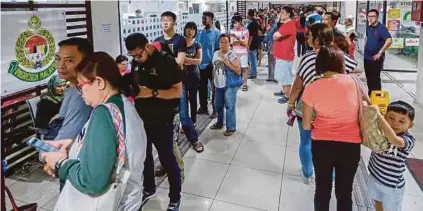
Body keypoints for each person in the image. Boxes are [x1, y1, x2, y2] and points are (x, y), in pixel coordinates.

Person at [42, 52, 147, 211]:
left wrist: (60, 164)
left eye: (80, 85)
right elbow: (114, 145)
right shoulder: (123, 104)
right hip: (131, 200)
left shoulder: (103, 112)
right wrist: (74, 144)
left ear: (99, 82)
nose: (80, 92)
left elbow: (93, 181)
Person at [287, 23, 360, 185]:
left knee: (306, 141)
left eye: (309, 36)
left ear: (317, 39)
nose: (307, 39)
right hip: (333, 109)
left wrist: (290, 104)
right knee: (331, 143)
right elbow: (358, 69)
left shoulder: (307, 58)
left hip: (307, 106)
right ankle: (332, 176)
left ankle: (307, 173)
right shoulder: (340, 57)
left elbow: (298, 86)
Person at [125, 33, 183, 211]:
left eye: (138, 54)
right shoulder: (136, 62)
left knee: (166, 159)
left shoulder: (165, 61)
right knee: (144, 157)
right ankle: (148, 188)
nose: (136, 59)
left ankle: (174, 198)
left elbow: (177, 92)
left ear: (148, 46)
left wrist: (151, 92)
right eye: (132, 56)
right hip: (141, 118)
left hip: (162, 118)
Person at [302, 46, 361, 211]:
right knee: (345, 192)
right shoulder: (355, 82)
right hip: (350, 145)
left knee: (322, 189)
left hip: (322, 145)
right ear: (340, 62)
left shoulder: (313, 87)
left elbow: (306, 125)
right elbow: (366, 109)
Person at [154, 10, 186, 181]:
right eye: (163, 20)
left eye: (168, 20)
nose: (165, 23)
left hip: (174, 88)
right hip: (159, 91)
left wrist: (163, 64)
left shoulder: (179, 40)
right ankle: (164, 163)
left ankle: (178, 168)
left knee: (170, 134)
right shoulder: (157, 42)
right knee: (160, 133)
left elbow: (180, 61)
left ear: (174, 22)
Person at [367, 101, 416, 211]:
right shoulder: (381, 132)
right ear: (386, 117)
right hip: (375, 177)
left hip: (392, 186)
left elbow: (395, 140)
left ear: (410, 125)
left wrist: (379, 116)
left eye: (401, 121)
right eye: (391, 118)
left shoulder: (408, 140)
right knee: (377, 202)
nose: (395, 123)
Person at [53, 38, 93, 142]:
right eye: (59, 59)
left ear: (86, 62)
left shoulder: (82, 95)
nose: (61, 66)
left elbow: (65, 139)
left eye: (69, 60)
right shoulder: (74, 87)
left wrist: (44, 154)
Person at [210, 34, 242, 136]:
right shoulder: (215, 53)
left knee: (229, 106)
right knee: (218, 105)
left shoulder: (232, 55)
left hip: (229, 85)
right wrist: (212, 84)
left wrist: (226, 62)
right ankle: (220, 122)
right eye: (221, 42)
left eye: (225, 42)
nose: (223, 44)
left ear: (229, 43)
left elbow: (238, 71)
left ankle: (231, 127)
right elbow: (214, 69)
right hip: (218, 84)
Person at [181, 22, 204, 153]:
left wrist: (185, 60)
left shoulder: (197, 44)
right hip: (182, 77)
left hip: (194, 76)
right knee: (183, 102)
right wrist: (190, 60)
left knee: (193, 100)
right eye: (188, 29)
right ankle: (186, 123)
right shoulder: (181, 44)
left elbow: (199, 61)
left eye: (193, 29)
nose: (190, 31)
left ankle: (193, 121)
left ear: (195, 31)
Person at [196, 11, 220, 118]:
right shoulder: (200, 33)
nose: (203, 20)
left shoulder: (216, 33)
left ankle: (216, 109)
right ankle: (203, 107)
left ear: (211, 19)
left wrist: (214, 62)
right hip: (201, 65)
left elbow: (218, 50)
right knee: (202, 88)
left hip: (212, 65)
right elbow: (196, 47)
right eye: (202, 18)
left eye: (205, 18)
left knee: (214, 88)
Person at [364, 9, 393, 96]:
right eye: (369, 16)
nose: (370, 18)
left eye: (373, 16)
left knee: (375, 79)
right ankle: (371, 96)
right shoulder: (369, 27)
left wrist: (380, 53)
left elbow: (389, 40)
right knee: (369, 79)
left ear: (377, 17)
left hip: (376, 58)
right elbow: (368, 38)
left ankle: (377, 98)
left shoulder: (381, 28)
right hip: (367, 57)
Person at [272, 6, 297, 104]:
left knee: (286, 78)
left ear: (288, 14)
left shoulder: (289, 25)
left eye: (282, 12)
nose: (280, 14)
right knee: (282, 76)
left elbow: (276, 35)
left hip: (285, 56)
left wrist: (276, 35)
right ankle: (283, 91)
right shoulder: (284, 24)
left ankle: (288, 96)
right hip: (281, 55)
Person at [230, 15, 250, 91]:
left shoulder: (245, 31)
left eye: (235, 23)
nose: (234, 25)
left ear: (240, 22)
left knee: (244, 69)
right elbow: (232, 42)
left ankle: (245, 84)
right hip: (235, 53)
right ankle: (237, 82)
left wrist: (237, 38)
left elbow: (246, 43)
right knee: (235, 69)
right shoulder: (232, 31)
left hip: (243, 53)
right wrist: (241, 41)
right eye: (233, 23)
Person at [246, 9, 260, 79]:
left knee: (252, 59)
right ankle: (253, 72)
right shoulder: (255, 22)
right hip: (255, 42)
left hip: (252, 43)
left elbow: (251, 35)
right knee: (253, 58)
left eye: (247, 14)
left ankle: (253, 73)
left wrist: (248, 45)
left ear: (249, 15)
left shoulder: (251, 23)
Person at [265, 18, 277, 83]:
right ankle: (270, 77)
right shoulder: (272, 28)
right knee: (270, 62)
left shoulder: (274, 28)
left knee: (273, 61)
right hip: (270, 45)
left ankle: (273, 77)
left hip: (273, 45)